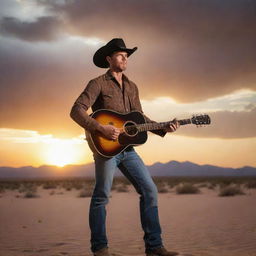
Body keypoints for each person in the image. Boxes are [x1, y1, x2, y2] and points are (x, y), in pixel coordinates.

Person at [70, 38, 180, 256]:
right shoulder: (97, 83)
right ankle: (100, 249)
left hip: (128, 150)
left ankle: (154, 246)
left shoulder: (132, 86)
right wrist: (100, 129)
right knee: (102, 196)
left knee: (149, 190)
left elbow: (139, 118)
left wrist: (162, 128)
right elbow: (76, 110)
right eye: (120, 55)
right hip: (106, 150)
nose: (125, 59)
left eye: (127, 56)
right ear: (109, 59)